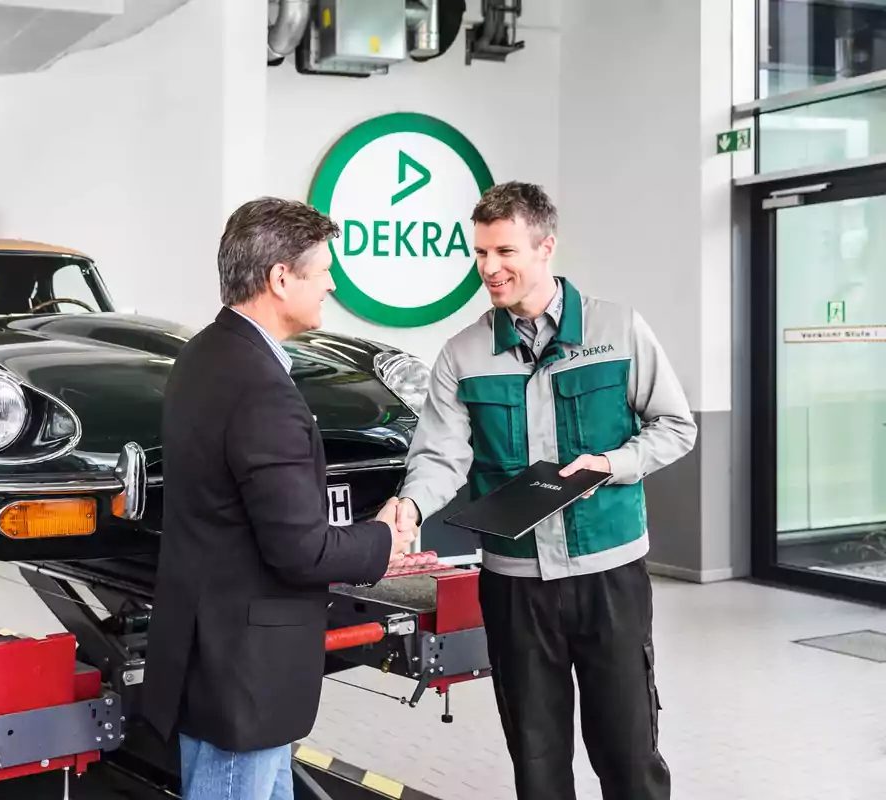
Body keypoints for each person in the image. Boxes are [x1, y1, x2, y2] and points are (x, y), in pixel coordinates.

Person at [396, 181, 696, 800]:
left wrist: (611, 463)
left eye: (504, 251)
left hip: (608, 572)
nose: (489, 268)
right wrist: (409, 506)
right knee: (536, 762)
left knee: (629, 752)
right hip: (514, 583)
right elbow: (441, 457)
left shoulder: (618, 329)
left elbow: (676, 427)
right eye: (480, 253)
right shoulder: (464, 353)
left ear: (545, 246)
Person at [142, 197, 415, 800]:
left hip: (210, 653)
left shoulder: (204, 355)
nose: (331, 284)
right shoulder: (262, 389)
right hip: (244, 673)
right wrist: (384, 540)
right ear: (281, 278)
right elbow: (300, 551)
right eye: (322, 272)